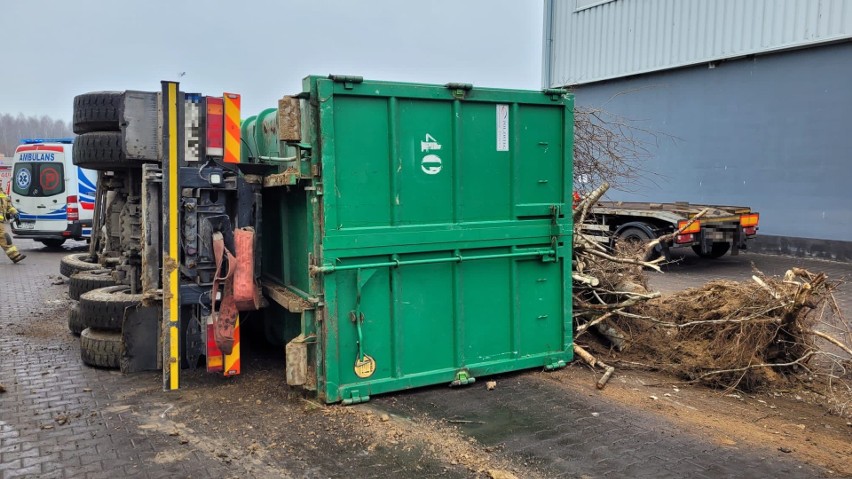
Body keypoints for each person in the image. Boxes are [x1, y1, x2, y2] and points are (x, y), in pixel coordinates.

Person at [0, 191, 25, 264]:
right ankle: (15, 256)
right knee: (4, 237)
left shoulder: (2, 193)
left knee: (4, 238)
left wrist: (15, 213)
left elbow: (8, 206)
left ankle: (15, 256)